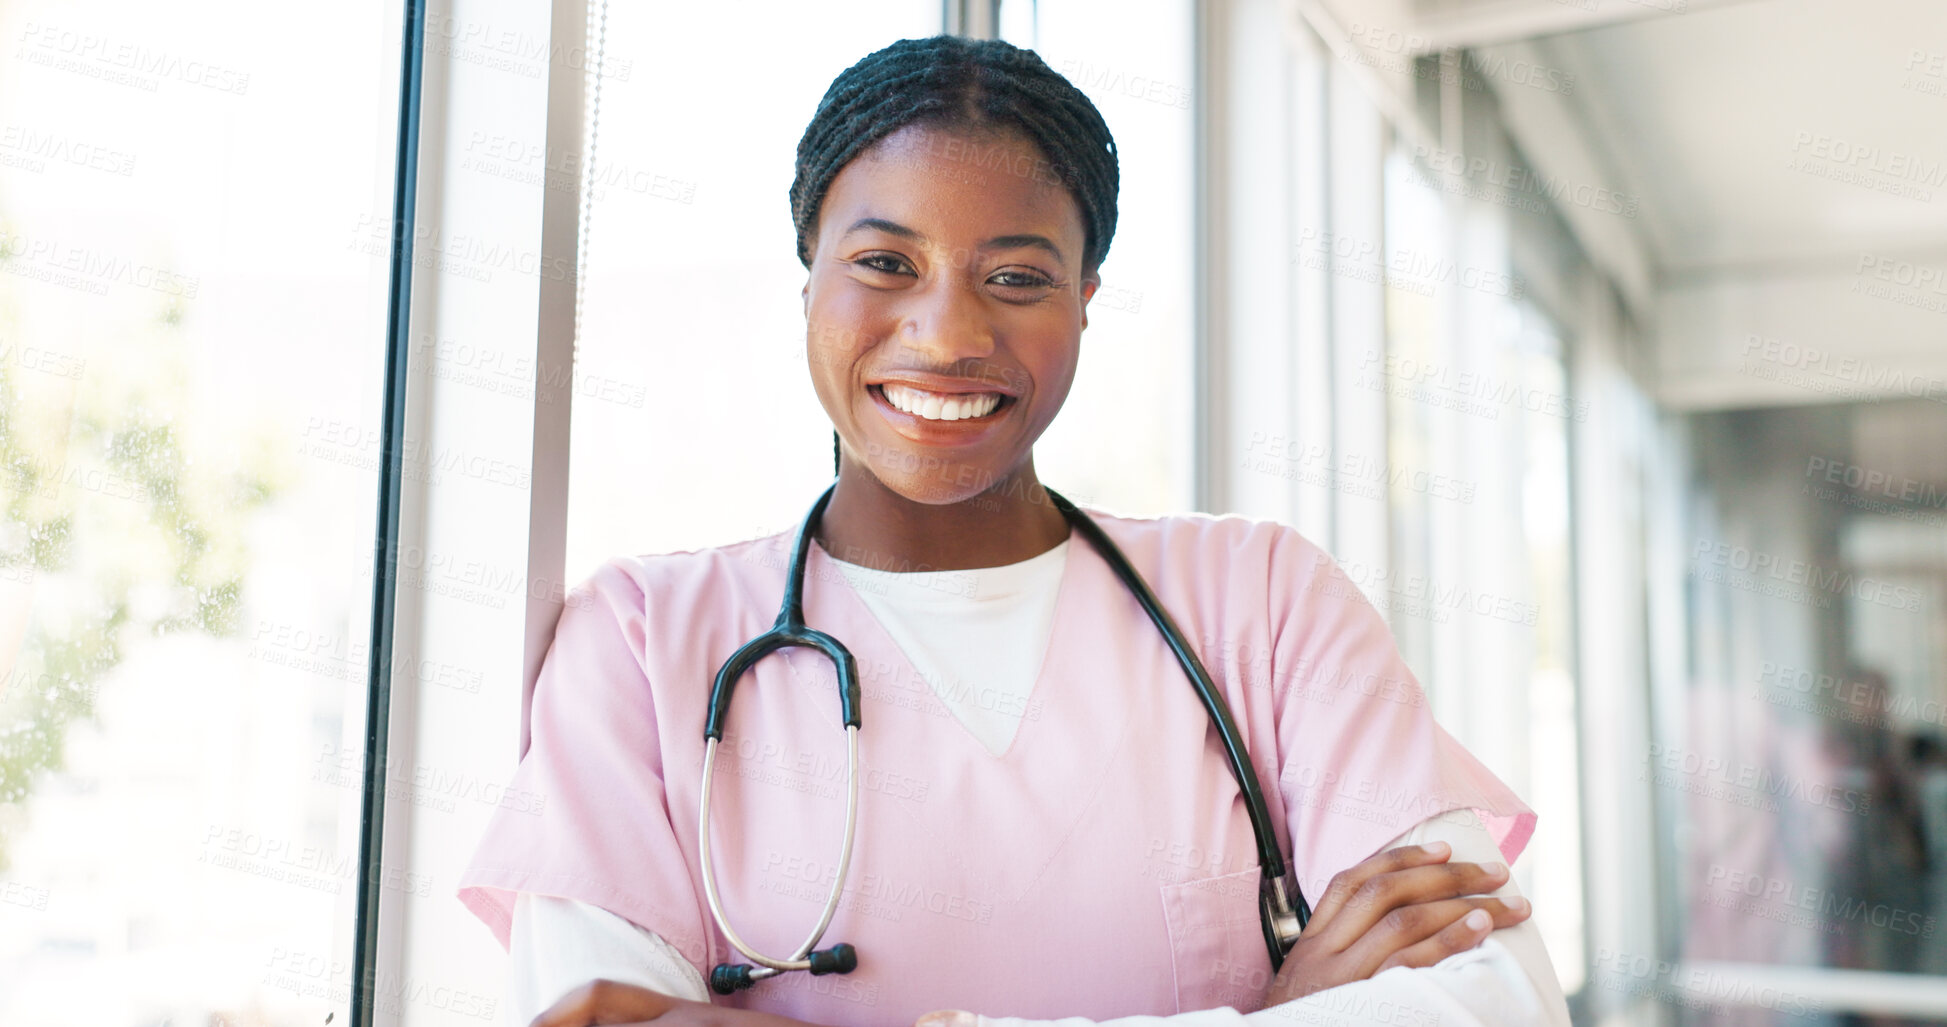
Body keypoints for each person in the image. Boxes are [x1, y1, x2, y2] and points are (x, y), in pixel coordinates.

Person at [457, 34, 1570, 1027]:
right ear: (807, 280)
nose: (947, 335)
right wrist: (1281, 1006)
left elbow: (1497, 1002)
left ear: (1085, 298)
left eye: (1016, 277)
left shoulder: (1264, 602)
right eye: (885, 263)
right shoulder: (644, 643)